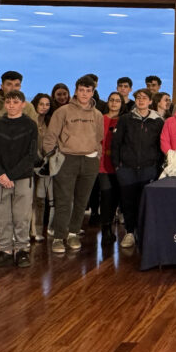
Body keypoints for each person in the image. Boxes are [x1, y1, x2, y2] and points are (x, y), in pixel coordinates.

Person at [41, 75, 104, 253]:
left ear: (93, 92)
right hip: (67, 159)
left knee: (82, 201)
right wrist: (53, 157)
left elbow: (99, 138)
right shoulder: (63, 111)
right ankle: (59, 237)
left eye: (88, 91)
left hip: (89, 160)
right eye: (81, 90)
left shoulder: (97, 114)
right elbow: (50, 138)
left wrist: (96, 155)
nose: (84, 94)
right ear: (76, 91)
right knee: (63, 200)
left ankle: (73, 233)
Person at [0, 89, 37, 268]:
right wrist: (1, 174)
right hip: (1, 179)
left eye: (15, 102)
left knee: (21, 216)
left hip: (22, 178)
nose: (11, 105)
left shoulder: (30, 125)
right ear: (5, 104)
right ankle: (5, 250)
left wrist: (11, 175)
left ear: (23, 104)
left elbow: (31, 155)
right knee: (2, 216)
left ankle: (22, 250)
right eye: (8, 102)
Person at [111, 88, 164, 248]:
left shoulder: (158, 121)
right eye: (138, 97)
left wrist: (157, 167)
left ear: (150, 101)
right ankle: (129, 232)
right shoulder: (125, 119)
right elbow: (116, 143)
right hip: (127, 168)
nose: (141, 100)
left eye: (144, 98)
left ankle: (142, 233)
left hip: (149, 168)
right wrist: (118, 166)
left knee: (144, 202)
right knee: (128, 202)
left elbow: (160, 145)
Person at [96, 91, 123, 245]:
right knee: (106, 196)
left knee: (115, 197)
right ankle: (105, 228)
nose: (114, 103)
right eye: (111, 100)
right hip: (102, 163)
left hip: (118, 164)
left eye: (117, 100)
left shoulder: (124, 120)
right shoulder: (100, 118)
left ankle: (111, 225)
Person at [30, 92, 52, 241]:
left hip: (45, 166)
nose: (44, 107)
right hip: (29, 164)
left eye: (47, 104)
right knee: (27, 200)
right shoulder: (29, 122)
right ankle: (26, 231)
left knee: (40, 199)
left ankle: (37, 230)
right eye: (41, 104)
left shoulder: (50, 122)